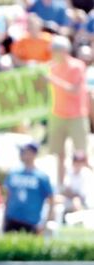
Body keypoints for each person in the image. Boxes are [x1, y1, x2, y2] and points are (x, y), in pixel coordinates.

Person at [47, 36, 90, 188]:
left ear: (64, 51)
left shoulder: (77, 66)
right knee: (59, 154)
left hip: (76, 116)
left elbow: (75, 90)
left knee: (81, 153)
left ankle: (82, 185)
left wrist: (53, 81)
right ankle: (60, 184)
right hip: (58, 115)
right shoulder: (51, 67)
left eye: (55, 50)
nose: (52, 53)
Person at [2, 141, 55, 234]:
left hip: (31, 221)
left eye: (28, 153)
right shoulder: (14, 173)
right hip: (12, 218)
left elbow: (51, 200)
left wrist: (45, 222)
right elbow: (8, 196)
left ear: (34, 154)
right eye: (24, 152)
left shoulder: (41, 177)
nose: (26, 155)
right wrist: (4, 217)